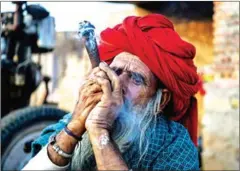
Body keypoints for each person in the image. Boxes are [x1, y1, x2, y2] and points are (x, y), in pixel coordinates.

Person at [22, 14, 200, 170]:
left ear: (161, 100)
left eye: (136, 79)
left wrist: (99, 130)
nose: (117, 83)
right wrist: (74, 127)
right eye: (115, 72)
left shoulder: (173, 143)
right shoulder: (78, 117)